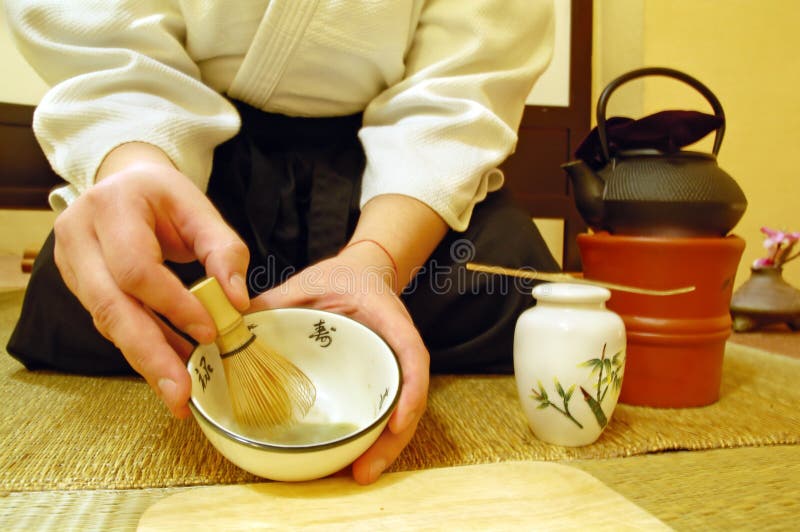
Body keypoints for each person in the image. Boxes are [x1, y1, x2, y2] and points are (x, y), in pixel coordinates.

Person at [4, 1, 559, 484]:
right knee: (92, 280)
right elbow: (107, 39)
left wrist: (378, 260)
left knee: (511, 273)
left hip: (390, 177)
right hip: (192, 164)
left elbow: (465, 73)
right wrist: (136, 168)